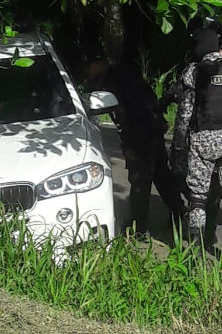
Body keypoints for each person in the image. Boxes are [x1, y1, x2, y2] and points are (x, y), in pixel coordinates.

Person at [87, 56, 186, 234]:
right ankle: (178, 211)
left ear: (99, 63)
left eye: (90, 66)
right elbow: (148, 99)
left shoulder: (112, 82)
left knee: (140, 178)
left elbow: (122, 115)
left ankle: (139, 227)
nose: (88, 71)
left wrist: (128, 144)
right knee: (161, 173)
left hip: (140, 133)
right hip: (153, 127)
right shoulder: (125, 74)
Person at [171, 21, 222, 247]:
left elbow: (185, 114)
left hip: (204, 138)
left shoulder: (193, 72)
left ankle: (195, 251)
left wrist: (179, 146)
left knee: (198, 197)